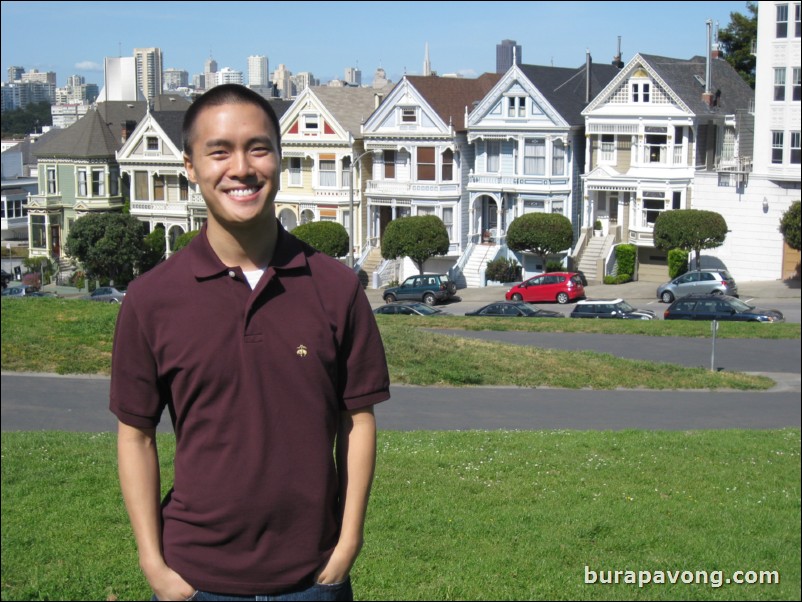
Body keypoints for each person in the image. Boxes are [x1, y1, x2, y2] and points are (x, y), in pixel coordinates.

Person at [110, 84, 390, 601]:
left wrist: (348, 542)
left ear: (279, 159)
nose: (241, 167)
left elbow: (358, 420)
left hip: (313, 578)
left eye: (258, 147)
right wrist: (153, 564)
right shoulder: (151, 299)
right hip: (196, 580)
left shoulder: (335, 286)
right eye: (219, 151)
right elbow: (136, 436)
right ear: (190, 167)